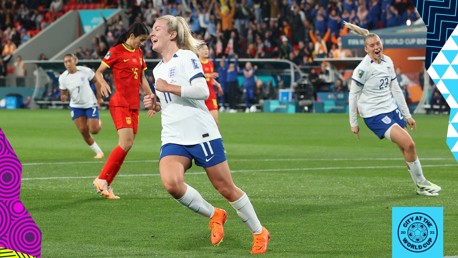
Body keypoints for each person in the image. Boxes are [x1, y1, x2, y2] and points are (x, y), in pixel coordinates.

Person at [143, 15, 270, 254]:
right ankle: (215, 214)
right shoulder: (158, 68)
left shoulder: (187, 57)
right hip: (173, 136)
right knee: (171, 183)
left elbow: (201, 90)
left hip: (201, 134)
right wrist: (156, 102)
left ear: (172, 35)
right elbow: (171, 101)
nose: (151, 33)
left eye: (156, 28)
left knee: (226, 188)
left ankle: (259, 232)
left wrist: (167, 88)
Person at [345, 21, 441, 196]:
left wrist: (407, 115)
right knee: (409, 144)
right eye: (372, 45)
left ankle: (420, 186)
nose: (376, 47)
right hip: (375, 114)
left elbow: (395, 89)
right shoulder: (362, 69)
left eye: (378, 43)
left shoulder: (388, 61)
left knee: (405, 148)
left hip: (391, 109)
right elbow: (353, 95)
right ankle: (422, 184)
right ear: (366, 49)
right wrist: (353, 123)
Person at [92, 22, 154, 199]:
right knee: (125, 143)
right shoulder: (116, 50)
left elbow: (142, 78)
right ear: (132, 36)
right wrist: (102, 82)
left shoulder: (139, 53)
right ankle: (102, 179)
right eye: (141, 40)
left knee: (127, 146)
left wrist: (152, 98)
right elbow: (99, 72)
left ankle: (107, 184)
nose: (142, 44)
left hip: (134, 104)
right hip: (120, 102)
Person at [58, 54, 104, 159]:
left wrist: (99, 97)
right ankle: (99, 152)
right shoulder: (63, 78)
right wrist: (64, 97)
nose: (68, 63)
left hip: (90, 104)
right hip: (76, 106)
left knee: (94, 130)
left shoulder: (85, 71)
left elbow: (96, 81)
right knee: (83, 130)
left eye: (70, 61)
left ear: (75, 61)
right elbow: (64, 92)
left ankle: (98, 122)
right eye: (66, 62)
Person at [197, 43, 223, 127]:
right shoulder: (196, 64)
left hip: (210, 94)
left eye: (207, 49)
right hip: (199, 95)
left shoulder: (210, 63)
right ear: (198, 51)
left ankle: (218, 140)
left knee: (215, 122)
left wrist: (217, 84)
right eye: (203, 49)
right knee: (201, 124)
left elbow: (210, 79)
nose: (206, 51)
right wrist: (208, 75)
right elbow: (196, 77)